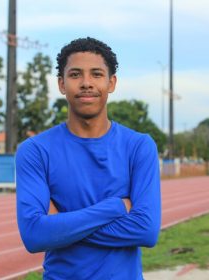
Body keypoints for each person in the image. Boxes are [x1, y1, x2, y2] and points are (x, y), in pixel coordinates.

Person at [16, 37, 161, 280]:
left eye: (96, 74)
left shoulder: (139, 146)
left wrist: (60, 224)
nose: (86, 83)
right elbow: (34, 236)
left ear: (111, 82)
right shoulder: (35, 150)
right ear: (62, 84)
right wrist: (115, 207)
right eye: (75, 75)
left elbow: (146, 230)